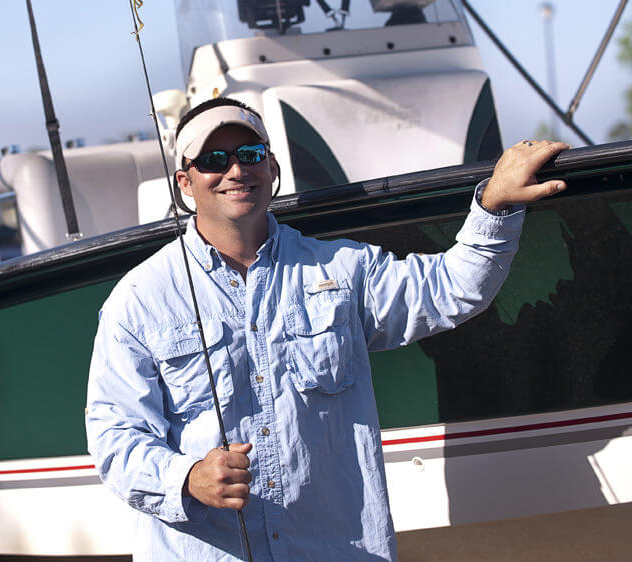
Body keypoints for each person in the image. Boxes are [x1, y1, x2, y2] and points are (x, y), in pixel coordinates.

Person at [85, 97, 569, 560]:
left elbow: (451, 289)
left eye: (250, 153)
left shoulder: (344, 268)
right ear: (185, 183)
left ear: (272, 169)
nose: (236, 170)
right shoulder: (137, 301)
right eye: (213, 159)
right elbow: (114, 437)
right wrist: (186, 477)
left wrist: (495, 203)